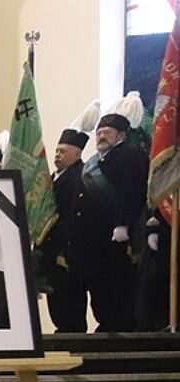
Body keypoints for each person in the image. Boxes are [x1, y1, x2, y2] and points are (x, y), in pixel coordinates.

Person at [72, 106, 148, 332]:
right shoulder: (93, 162)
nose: (101, 136)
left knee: (117, 283)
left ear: (121, 135)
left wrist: (123, 223)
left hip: (115, 236)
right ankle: (106, 323)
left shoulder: (131, 156)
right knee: (99, 285)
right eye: (99, 132)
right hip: (93, 239)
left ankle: (119, 326)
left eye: (107, 132)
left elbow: (132, 191)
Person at [38, 127, 89, 333]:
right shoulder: (53, 177)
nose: (58, 155)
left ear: (77, 154)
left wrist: (64, 251)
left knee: (70, 299)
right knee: (56, 297)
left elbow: (74, 217)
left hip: (67, 250)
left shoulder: (81, 177)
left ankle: (73, 337)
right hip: (50, 249)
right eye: (57, 151)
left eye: (63, 151)